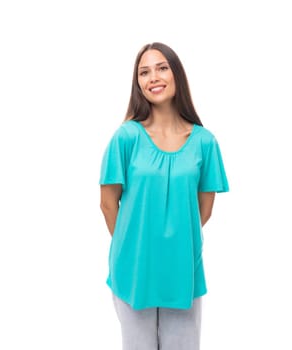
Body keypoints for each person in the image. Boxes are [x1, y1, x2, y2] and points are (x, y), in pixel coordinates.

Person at [99, 42, 229, 350]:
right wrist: (132, 249)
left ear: (177, 75)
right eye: (144, 72)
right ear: (138, 84)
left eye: (161, 68)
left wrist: (172, 246)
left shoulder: (204, 143)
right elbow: (107, 204)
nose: (153, 77)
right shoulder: (126, 137)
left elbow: (204, 211)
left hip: (183, 269)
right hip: (133, 269)